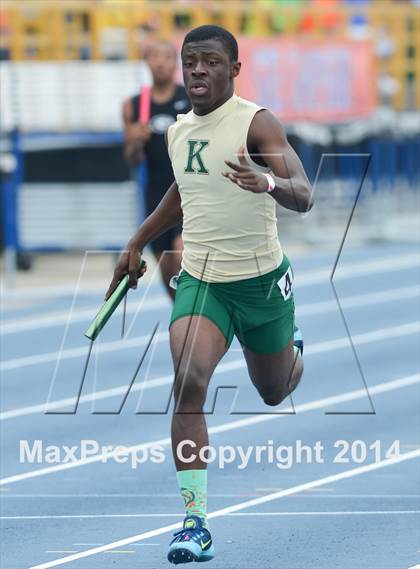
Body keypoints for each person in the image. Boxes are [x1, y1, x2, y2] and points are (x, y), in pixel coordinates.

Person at [107, 25, 313, 565]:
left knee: (272, 390)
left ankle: (291, 353)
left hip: (261, 282)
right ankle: (195, 523)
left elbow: (304, 195)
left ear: (233, 70)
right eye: (190, 61)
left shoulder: (256, 122)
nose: (198, 70)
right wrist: (135, 243)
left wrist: (267, 182)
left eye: (210, 62)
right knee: (188, 380)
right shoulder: (178, 132)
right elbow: (181, 191)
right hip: (202, 280)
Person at [122, 40, 191, 300]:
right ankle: (185, 322)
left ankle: (196, 319)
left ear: (176, 64)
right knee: (166, 273)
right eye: (154, 56)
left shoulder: (189, 98)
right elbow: (131, 161)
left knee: (180, 255)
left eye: (166, 57)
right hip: (155, 194)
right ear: (147, 62)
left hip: (187, 190)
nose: (160, 62)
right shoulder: (134, 105)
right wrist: (133, 141)